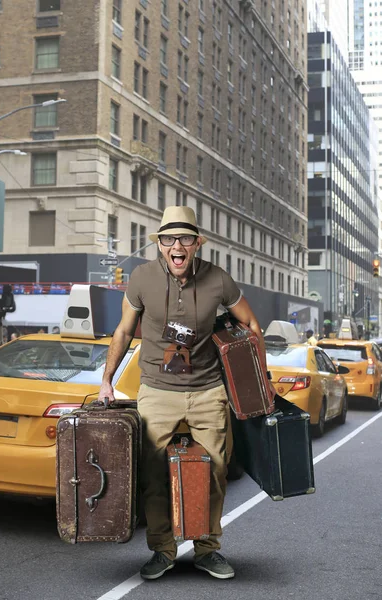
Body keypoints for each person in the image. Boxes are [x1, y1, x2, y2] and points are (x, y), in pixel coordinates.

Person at [98, 206, 273, 581]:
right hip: (157, 392)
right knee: (153, 473)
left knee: (216, 472)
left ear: (196, 244)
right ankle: (162, 550)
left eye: (185, 239)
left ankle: (207, 551)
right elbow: (124, 332)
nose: (177, 245)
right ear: (160, 245)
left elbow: (250, 323)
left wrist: (256, 374)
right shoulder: (142, 278)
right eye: (169, 239)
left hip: (209, 391)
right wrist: (106, 381)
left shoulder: (218, 280)